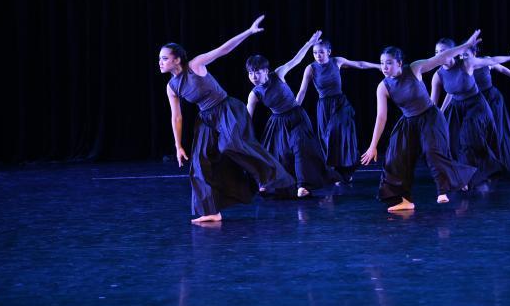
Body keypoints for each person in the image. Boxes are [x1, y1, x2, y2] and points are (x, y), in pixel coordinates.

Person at [160, 15, 294, 223]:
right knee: (199, 163)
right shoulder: (171, 87)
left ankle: (269, 177)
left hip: (227, 109)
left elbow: (223, 49)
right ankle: (211, 211)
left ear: (177, 59)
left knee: (230, 144)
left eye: (164, 58)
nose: (160, 62)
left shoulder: (195, 65)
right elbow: (176, 117)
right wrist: (178, 146)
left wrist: (249, 31)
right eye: (160, 59)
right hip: (206, 118)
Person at [360, 30, 482, 212]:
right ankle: (404, 200)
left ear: (399, 63)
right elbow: (381, 117)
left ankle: (443, 190)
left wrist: (466, 46)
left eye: (389, 63)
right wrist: (373, 145)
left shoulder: (414, 68)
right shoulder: (383, 87)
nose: (384, 67)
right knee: (395, 159)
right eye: (382, 63)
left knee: (432, 152)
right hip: (408, 122)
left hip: (430, 117)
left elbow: (441, 58)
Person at [246, 31, 340, 198]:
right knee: (277, 153)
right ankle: (268, 183)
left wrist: (309, 43)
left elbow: (296, 59)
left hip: (297, 116)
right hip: (277, 122)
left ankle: (303, 186)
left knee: (300, 148)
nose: (253, 77)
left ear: (266, 71)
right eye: (250, 73)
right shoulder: (254, 94)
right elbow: (247, 116)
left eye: (257, 72)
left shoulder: (278, 74)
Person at [431, 39, 510, 182]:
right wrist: (434, 116)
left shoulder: (467, 63)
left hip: (477, 105)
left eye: (442, 51)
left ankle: (476, 174)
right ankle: (469, 172)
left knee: (468, 137)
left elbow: (492, 61)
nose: (438, 55)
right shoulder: (438, 75)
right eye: (436, 52)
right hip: (458, 107)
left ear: (453, 52)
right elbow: (434, 102)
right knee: (454, 143)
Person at [295, 39, 380, 183]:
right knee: (327, 140)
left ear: (328, 52)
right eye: (315, 53)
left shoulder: (337, 61)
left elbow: (359, 64)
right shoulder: (311, 68)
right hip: (324, 107)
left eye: (321, 52)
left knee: (336, 132)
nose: (318, 56)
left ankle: (347, 168)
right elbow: (302, 91)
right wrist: (295, 108)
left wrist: (378, 66)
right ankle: (339, 173)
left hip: (340, 104)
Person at [470, 45, 510, 171]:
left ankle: (497, 162)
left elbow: (501, 68)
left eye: (466, 54)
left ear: (474, 53)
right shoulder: (461, 67)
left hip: (492, 99)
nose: (463, 57)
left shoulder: (485, 61)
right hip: (476, 101)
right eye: (461, 55)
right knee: (477, 132)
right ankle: (481, 162)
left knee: (495, 130)